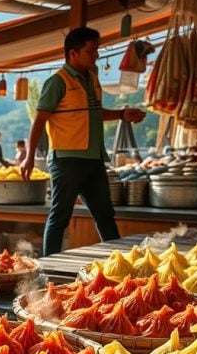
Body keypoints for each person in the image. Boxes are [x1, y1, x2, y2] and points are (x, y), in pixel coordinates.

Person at [20, 27, 146, 257]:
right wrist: (29, 157)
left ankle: (116, 265)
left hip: (94, 159)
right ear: (73, 53)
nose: (96, 55)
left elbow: (94, 112)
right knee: (60, 217)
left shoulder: (92, 79)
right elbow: (39, 120)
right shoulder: (57, 81)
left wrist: (121, 114)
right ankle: (49, 267)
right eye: (91, 50)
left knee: (105, 214)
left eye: (96, 49)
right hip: (67, 160)